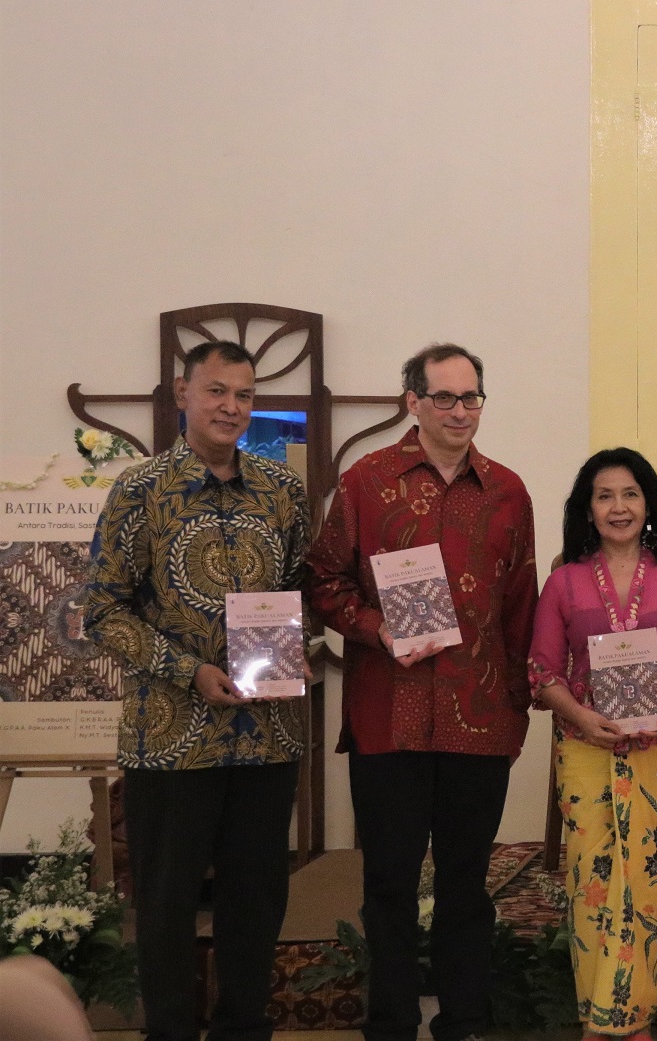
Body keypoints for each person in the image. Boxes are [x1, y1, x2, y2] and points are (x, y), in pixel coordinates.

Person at [306, 343, 537, 1041]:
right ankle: (392, 1025)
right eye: (446, 398)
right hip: (390, 718)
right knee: (389, 887)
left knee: (469, 886)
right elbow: (322, 582)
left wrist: (518, 708)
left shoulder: (509, 490)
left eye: (472, 397)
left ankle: (465, 1022)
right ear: (412, 401)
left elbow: (520, 605)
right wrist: (376, 629)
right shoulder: (365, 483)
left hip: (481, 716)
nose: (461, 411)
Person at [85, 340, 311, 1041]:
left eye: (244, 395)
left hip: (266, 738)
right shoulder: (138, 490)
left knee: (257, 903)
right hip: (169, 740)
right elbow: (102, 611)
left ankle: (245, 1030)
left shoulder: (284, 493)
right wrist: (189, 671)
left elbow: (304, 591)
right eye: (217, 391)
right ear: (182, 393)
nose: (231, 408)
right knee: (164, 906)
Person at [529, 448, 657, 1041]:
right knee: (592, 875)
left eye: (631, 494)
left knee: (651, 873)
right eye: (605, 496)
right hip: (585, 746)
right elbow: (541, 672)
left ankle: (632, 1019)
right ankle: (599, 1019)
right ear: (587, 509)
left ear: (649, 504)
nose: (619, 507)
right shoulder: (563, 581)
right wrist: (580, 716)